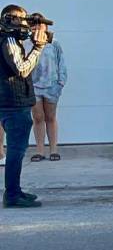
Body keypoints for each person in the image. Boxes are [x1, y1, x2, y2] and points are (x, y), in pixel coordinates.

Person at [0, 4, 48, 208]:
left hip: (11, 102)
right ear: (9, 20)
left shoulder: (10, 38)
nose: (25, 24)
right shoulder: (8, 39)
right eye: (21, 20)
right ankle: (12, 195)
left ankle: (15, 191)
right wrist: (38, 48)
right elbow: (21, 69)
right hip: (13, 103)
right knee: (16, 151)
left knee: (16, 151)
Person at [28, 14, 67, 162]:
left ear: (46, 26)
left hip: (51, 86)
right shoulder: (26, 43)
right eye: (34, 25)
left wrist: (60, 83)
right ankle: (39, 150)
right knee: (38, 118)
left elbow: (61, 63)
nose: (37, 28)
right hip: (34, 86)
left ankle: (53, 149)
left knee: (50, 117)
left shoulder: (54, 44)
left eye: (40, 25)